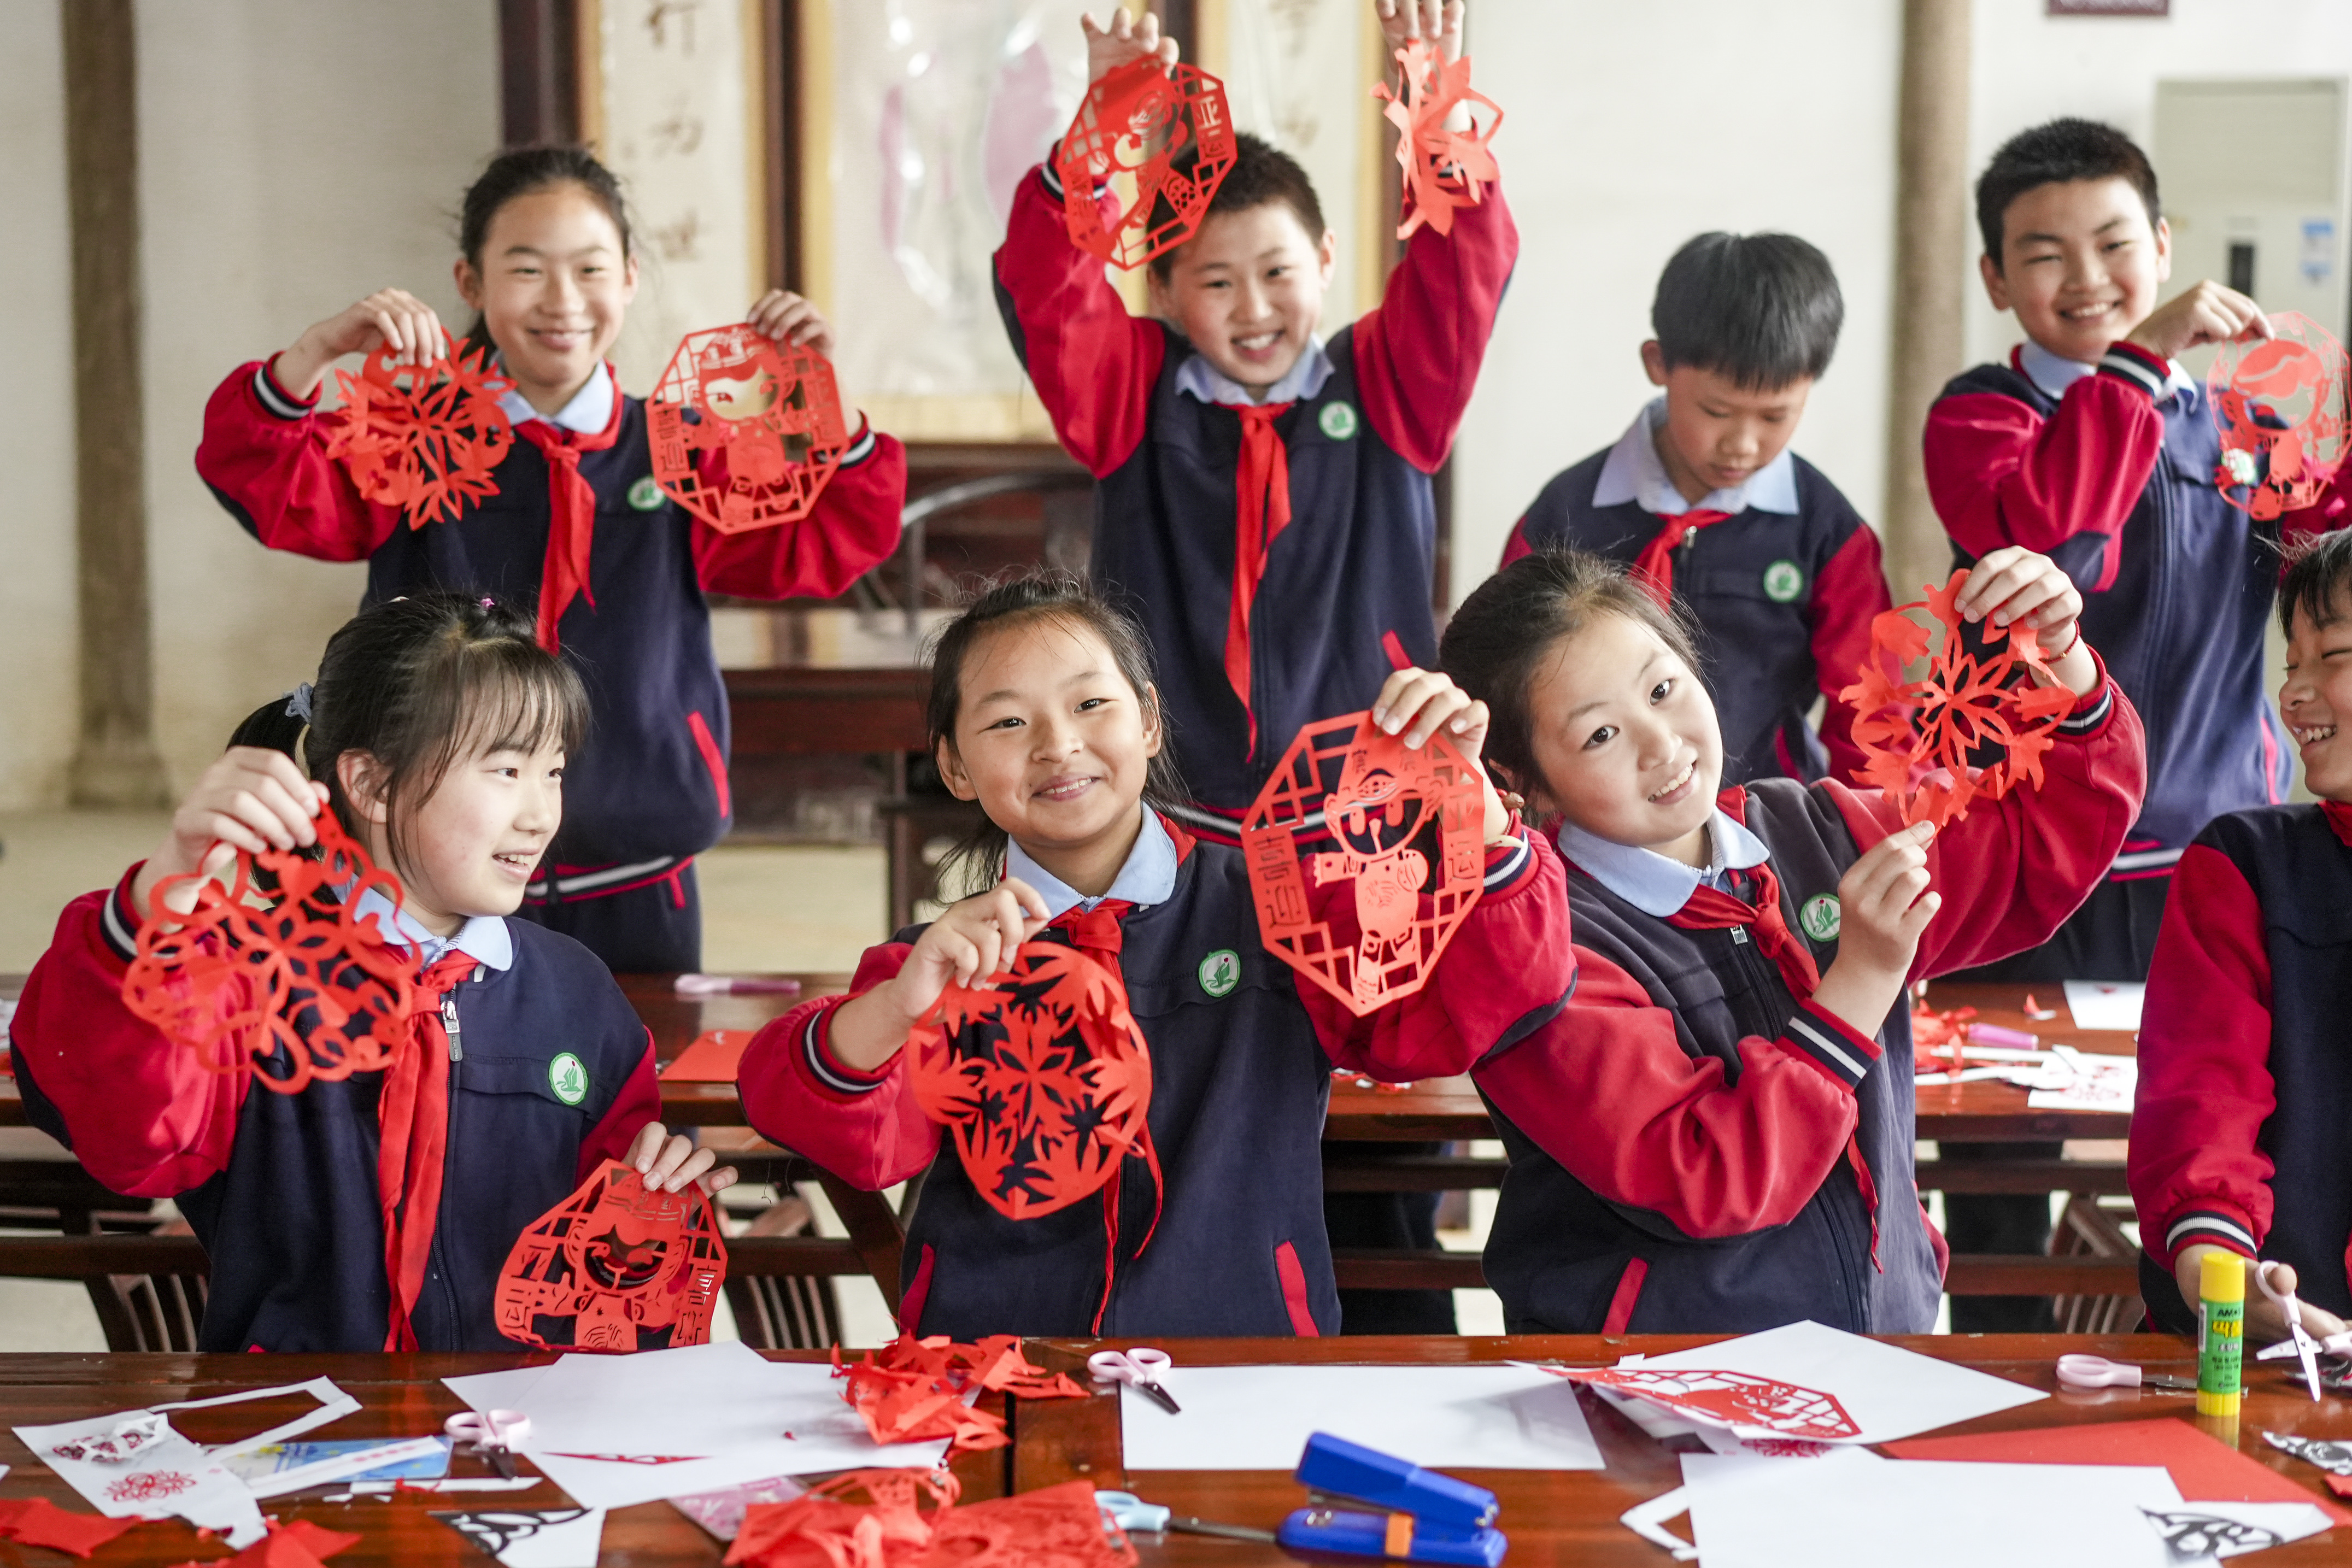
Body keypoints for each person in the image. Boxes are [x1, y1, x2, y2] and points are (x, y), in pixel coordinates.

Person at [735, 573, 1568, 1337]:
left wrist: (1482, 825)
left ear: (1149, 719)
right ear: (953, 766)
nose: (1056, 745)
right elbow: (829, 1130)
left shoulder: (1275, 904)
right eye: (1006, 721)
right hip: (999, 1361)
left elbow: (1447, 1024)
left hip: (1237, 1360)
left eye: (1090, 704)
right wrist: (887, 1012)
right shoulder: (940, 961)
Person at [195, 146, 907, 972]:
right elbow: (269, 485)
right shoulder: (410, 440)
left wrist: (827, 400)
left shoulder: (675, 448)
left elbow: (821, 543)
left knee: (631, 1086)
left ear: (630, 278)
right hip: (429, 870)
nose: (563, 301)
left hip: (634, 863)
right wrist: (317, 352)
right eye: (526, 270)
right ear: (471, 283)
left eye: (590, 269)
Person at [1440, 547, 2145, 1333]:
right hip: (1657, 1386)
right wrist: (1859, 984)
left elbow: (2037, 847)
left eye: (1663, 688)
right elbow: (1707, 1175)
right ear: (1520, 780)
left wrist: (2064, 666)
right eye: (1600, 734)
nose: (1661, 744)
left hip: (1875, 1345)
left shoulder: (1821, 828)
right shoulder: (1539, 949)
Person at [7, 595, 735, 1353]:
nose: (539, 813)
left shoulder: (576, 996)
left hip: (522, 1435)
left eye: (551, 771)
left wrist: (654, 1220)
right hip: (295, 1434)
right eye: (506, 769)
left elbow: (612, 1303)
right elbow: (129, 1135)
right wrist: (165, 897)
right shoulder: (243, 980)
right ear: (372, 785)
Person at [991, 0, 1515, 847]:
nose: (1255, 308)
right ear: (1160, 291)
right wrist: (1094, 136)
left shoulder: (1385, 385)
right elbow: (1046, 289)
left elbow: (1464, 263)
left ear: (1326, 260)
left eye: (1277, 271)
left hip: (1367, 797)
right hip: (1171, 804)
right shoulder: (1132, 395)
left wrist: (1432, 97)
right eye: (1216, 282)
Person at [1502, 232, 1888, 785]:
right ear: (1657, 363)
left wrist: (1860, 832)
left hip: (1765, 825)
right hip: (1591, 831)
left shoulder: (1827, 532)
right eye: (1716, 411)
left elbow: (1870, 708)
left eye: (1775, 417)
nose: (1743, 445)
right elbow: (1510, 684)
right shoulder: (1565, 516)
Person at [2131, 526, 2352, 1341]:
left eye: (2326, 656)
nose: (2289, 695)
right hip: (2261, 1362)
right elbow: (2202, 1101)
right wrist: (2216, 1266)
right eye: (2288, 663)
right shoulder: (2245, 866)